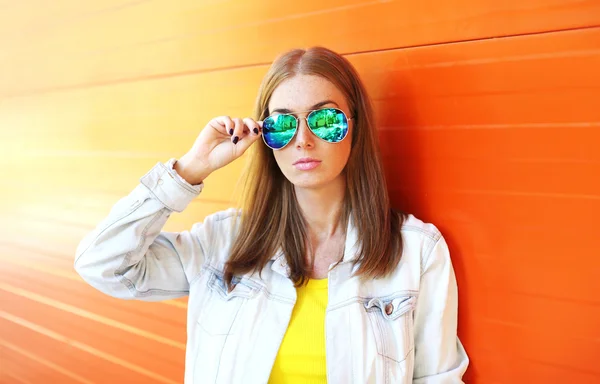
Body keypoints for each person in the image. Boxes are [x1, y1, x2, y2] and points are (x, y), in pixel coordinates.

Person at [74, 46, 469, 383]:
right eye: (282, 123)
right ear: (264, 136)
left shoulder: (416, 252)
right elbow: (101, 264)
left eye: (325, 120)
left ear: (356, 127)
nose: (302, 139)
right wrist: (190, 170)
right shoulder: (223, 243)